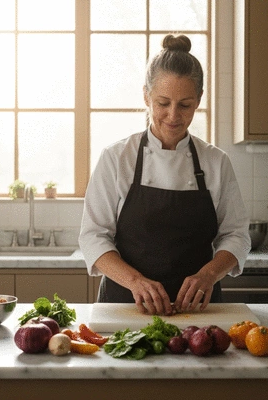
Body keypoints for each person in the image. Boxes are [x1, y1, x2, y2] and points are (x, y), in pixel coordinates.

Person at [79, 34, 250, 316]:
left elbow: (236, 236)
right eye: (162, 103)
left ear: (199, 100)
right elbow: (93, 237)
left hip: (198, 311)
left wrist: (208, 275)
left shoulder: (216, 162)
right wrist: (135, 282)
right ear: (146, 95)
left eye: (185, 104)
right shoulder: (116, 158)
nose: (173, 116)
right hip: (126, 308)